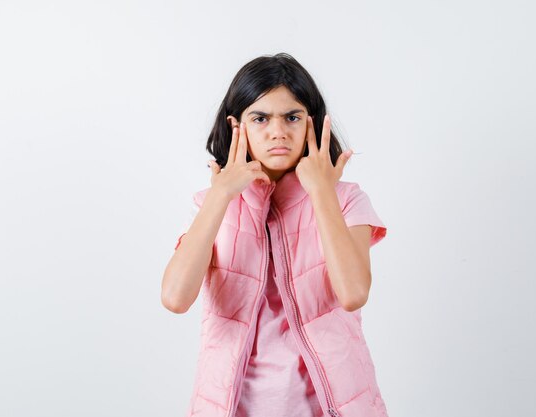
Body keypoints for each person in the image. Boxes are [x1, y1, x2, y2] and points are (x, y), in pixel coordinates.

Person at [162, 52, 389, 417]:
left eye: (292, 117)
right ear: (238, 126)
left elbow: (353, 293)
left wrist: (321, 191)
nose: (278, 131)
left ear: (311, 124)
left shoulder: (346, 200)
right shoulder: (209, 205)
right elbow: (175, 298)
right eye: (261, 118)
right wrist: (221, 194)